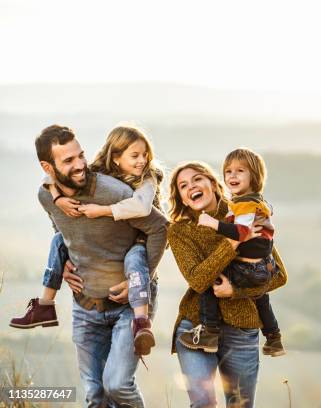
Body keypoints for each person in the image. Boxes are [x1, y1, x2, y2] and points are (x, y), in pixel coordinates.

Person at [26, 125, 167, 407]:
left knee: (118, 386)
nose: (79, 165)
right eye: (68, 161)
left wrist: (141, 280)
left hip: (129, 305)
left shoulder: (118, 191)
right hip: (85, 308)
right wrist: (66, 261)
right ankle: (43, 305)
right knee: (95, 395)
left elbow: (160, 226)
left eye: (81, 156)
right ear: (48, 167)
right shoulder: (47, 195)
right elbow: (62, 229)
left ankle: (142, 320)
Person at [167, 161, 288, 408]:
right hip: (196, 327)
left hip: (242, 329)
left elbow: (278, 275)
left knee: (240, 404)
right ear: (181, 197)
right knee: (203, 403)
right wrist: (233, 242)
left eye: (197, 179)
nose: (191, 187)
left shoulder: (245, 211)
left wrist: (236, 291)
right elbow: (198, 279)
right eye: (183, 185)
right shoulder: (180, 231)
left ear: (212, 183)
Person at [182, 148, 285, 356]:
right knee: (262, 298)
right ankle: (274, 338)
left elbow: (242, 232)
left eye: (240, 171)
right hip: (263, 268)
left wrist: (214, 223)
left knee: (210, 280)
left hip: (247, 267)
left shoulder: (246, 204)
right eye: (228, 171)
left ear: (254, 177)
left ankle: (209, 332)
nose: (233, 175)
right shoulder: (253, 202)